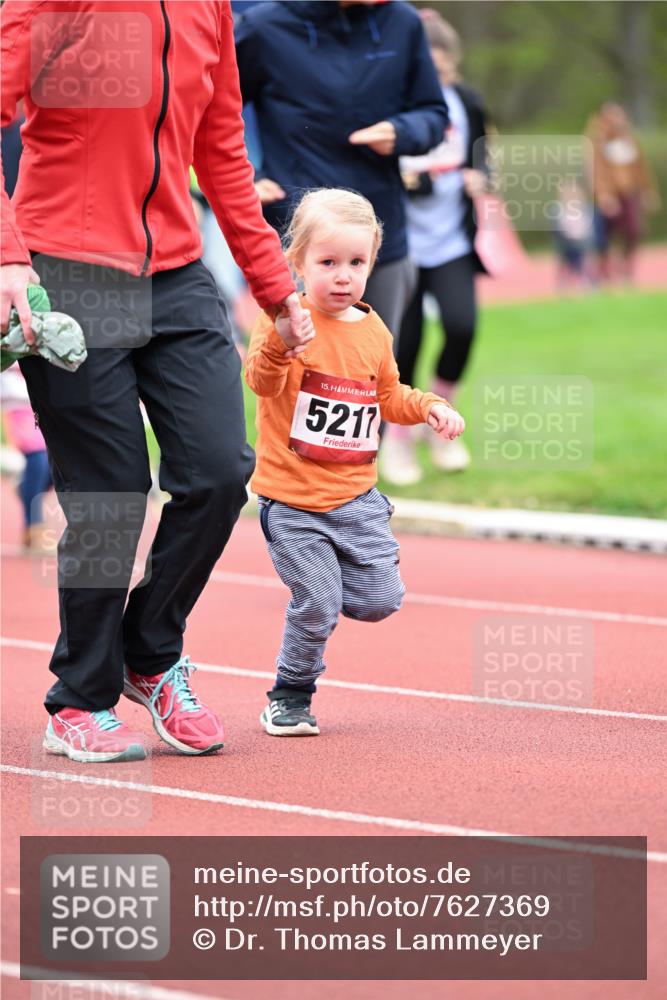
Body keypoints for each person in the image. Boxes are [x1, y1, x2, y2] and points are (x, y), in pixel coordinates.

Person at [0, 0, 312, 764]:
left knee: (218, 471)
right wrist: (8, 256)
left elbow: (223, 151)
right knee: (109, 492)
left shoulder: (208, 8)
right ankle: (78, 699)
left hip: (177, 276)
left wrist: (276, 286)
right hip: (66, 269)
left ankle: (149, 650)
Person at [244, 189, 465, 736]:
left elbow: (389, 396)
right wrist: (280, 341)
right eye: (327, 263)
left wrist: (431, 406)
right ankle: (289, 696)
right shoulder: (280, 320)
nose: (343, 276)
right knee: (318, 604)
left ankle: (337, 572)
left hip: (355, 499)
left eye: (357, 263)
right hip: (292, 502)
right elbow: (260, 382)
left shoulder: (373, 331)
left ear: (372, 262)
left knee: (379, 602)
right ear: (296, 262)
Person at [234, 0, 448, 337]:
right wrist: (248, 175)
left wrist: (403, 131)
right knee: (296, 370)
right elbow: (207, 111)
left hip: (380, 236)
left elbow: (434, 112)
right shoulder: (263, 26)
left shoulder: (402, 21)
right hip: (298, 238)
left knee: (371, 374)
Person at [381, 9, 490, 484]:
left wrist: (480, 177)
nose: (438, 79)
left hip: (451, 242)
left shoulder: (467, 101)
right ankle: (399, 439)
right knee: (405, 346)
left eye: (445, 70)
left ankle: (440, 416)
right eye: (430, 69)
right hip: (403, 245)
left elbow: (484, 156)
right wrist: (399, 177)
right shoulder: (392, 105)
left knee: (462, 326)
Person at [587, 102, 660, 284]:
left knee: (634, 230)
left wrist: (647, 190)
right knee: (603, 234)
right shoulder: (598, 141)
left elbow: (641, 168)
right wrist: (603, 194)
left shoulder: (630, 141)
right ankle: (603, 268)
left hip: (629, 194)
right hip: (608, 197)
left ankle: (626, 266)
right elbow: (597, 171)